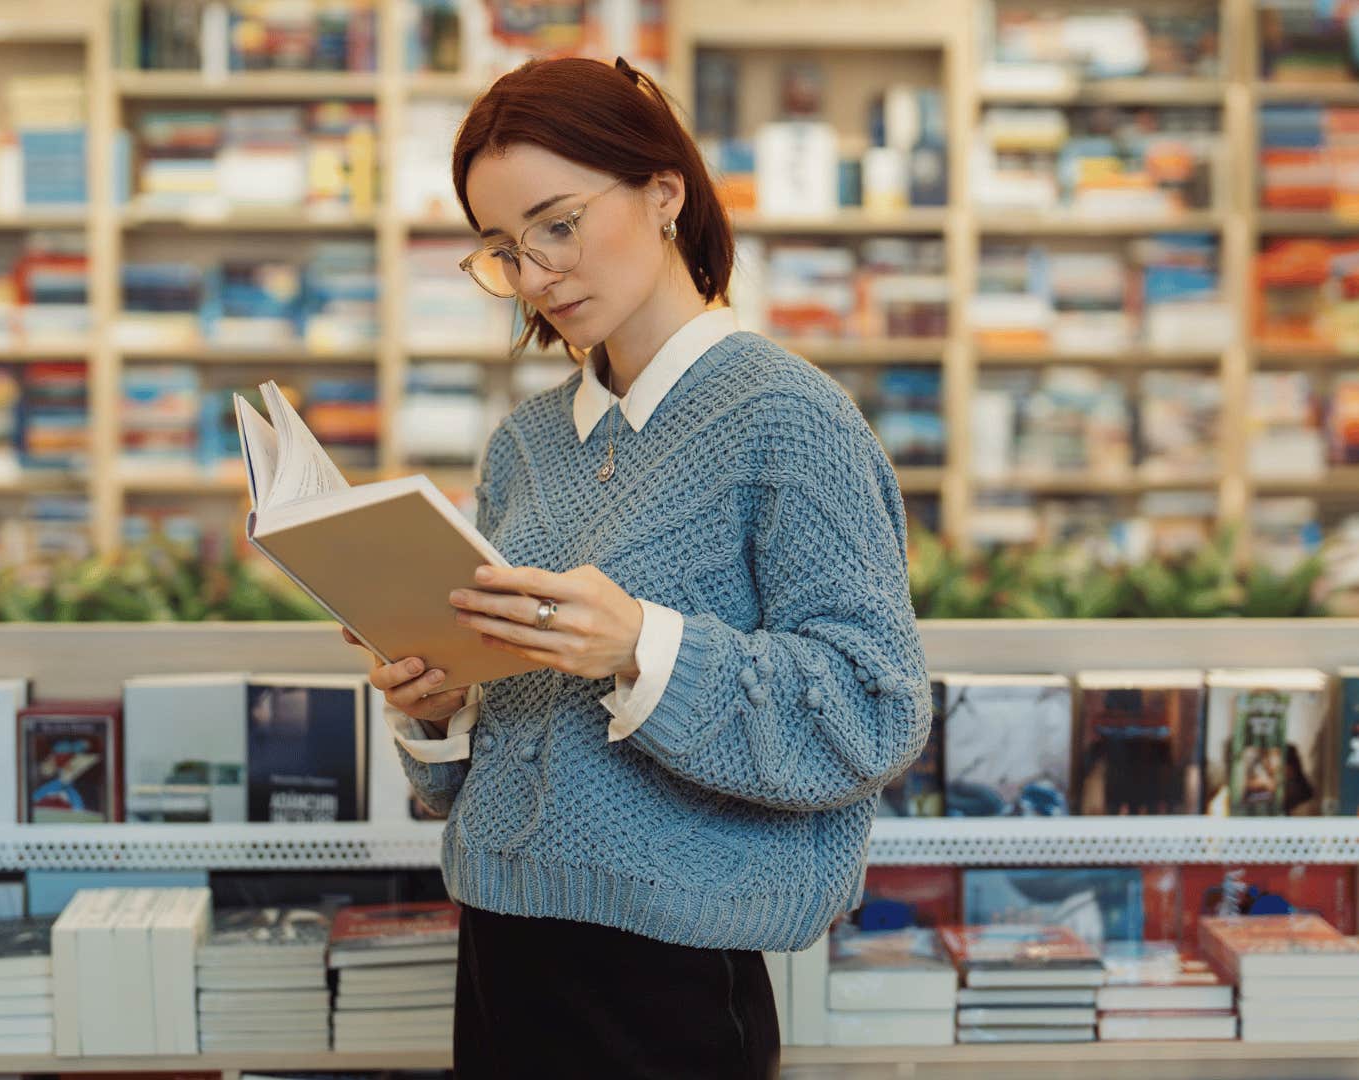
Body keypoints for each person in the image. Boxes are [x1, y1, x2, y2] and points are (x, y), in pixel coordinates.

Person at [340, 54, 930, 1079]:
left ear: (665, 191)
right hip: (498, 948)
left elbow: (874, 708)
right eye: (502, 250)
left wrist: (639, 647)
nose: (534, 275)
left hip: (675, 974)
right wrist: (432, 706)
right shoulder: (524, 444)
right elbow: (475, 776)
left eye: (558, 225)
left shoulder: (789, 418)